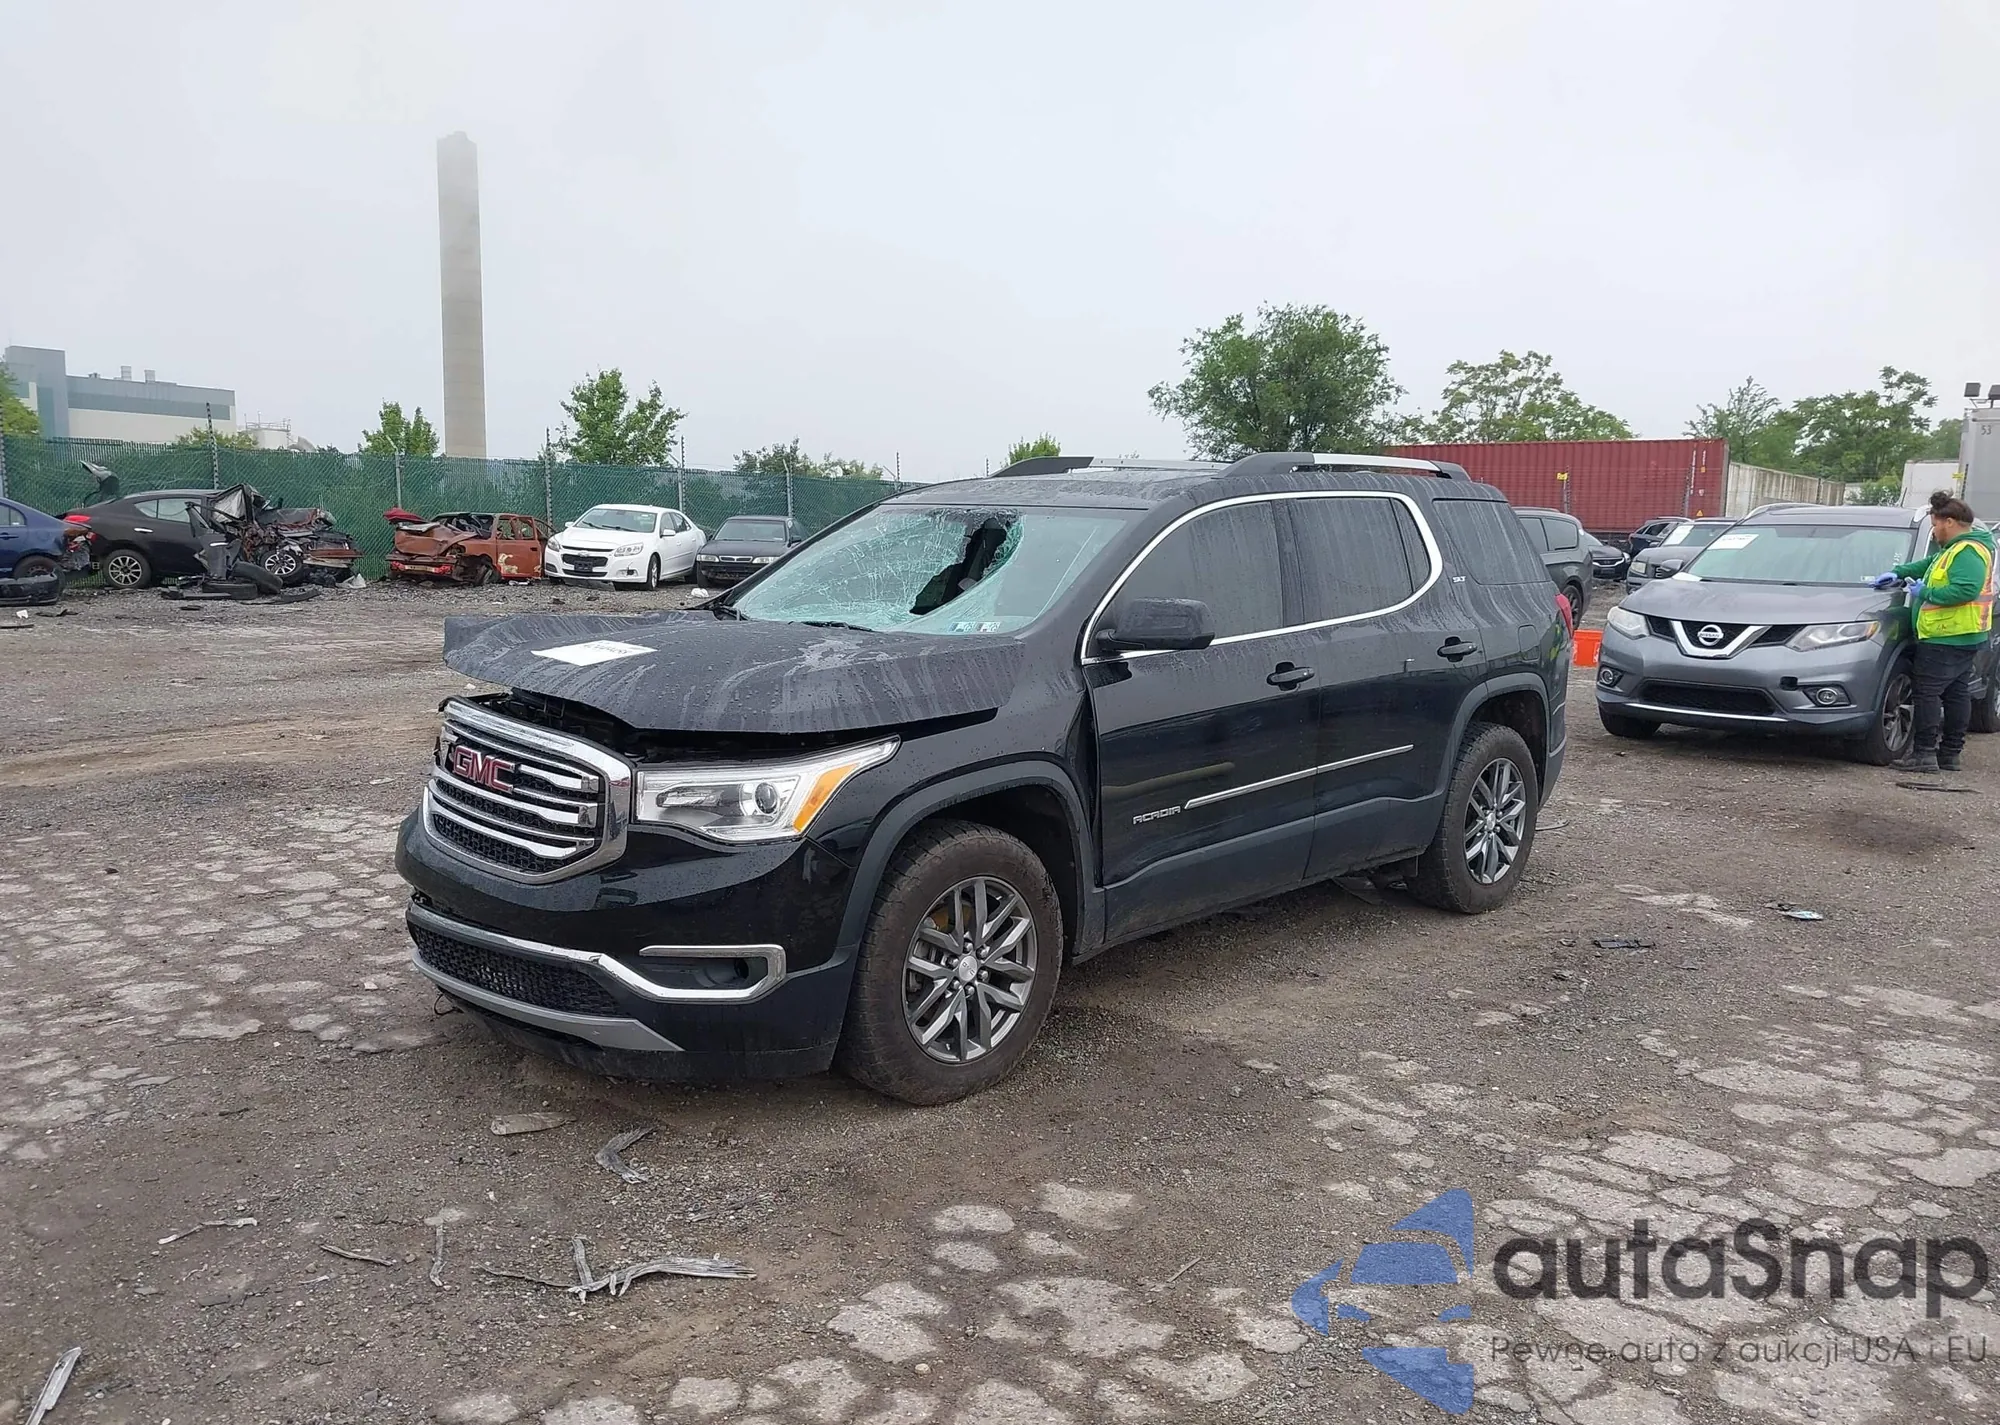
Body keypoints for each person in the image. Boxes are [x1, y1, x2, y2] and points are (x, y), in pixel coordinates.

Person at [1868, 491, 1996, 773]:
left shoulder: (1967, 552)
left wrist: (1924, 592)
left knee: (1927, 693)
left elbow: (1965, 590)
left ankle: (1924, 754)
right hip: (1961, 634)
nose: (1935, 530)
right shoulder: (1957, 548)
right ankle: (1949, 754)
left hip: (1946, 635)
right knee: (1956, 694)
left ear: (1949, 522)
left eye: (1935, 524)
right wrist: (1899, 572)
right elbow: (1930, 565)